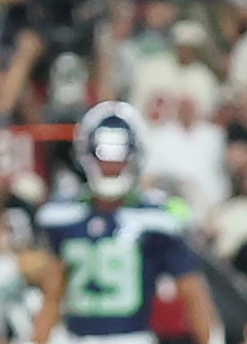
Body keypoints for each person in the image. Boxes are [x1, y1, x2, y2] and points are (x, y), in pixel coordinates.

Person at [30, 104, 218, 344]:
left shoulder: (156, 219)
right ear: (87, 152)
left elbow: (193, 294)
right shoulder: (62, 215)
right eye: (104, 152)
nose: (111, 165)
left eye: (118, 153)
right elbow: (53, 294)